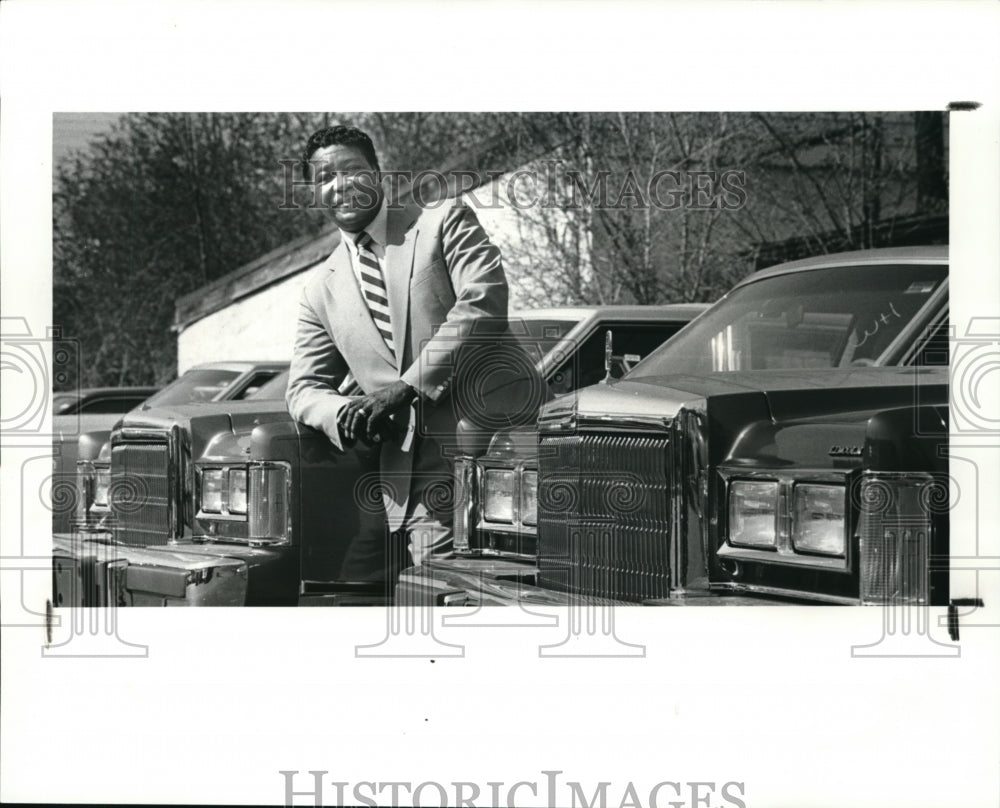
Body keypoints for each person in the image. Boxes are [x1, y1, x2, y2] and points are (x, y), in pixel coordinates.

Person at [286, 124, 542, 583]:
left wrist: (405, 387)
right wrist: (343, 412)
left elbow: (483, 302)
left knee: (441, 589)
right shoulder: (318, 290)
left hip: (494, 453)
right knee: (353, 588)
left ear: (378, 175)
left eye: (351, 171)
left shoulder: (441, 220)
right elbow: (303, 389)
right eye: (325, 177)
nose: (339, 185)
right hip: (401, 474)